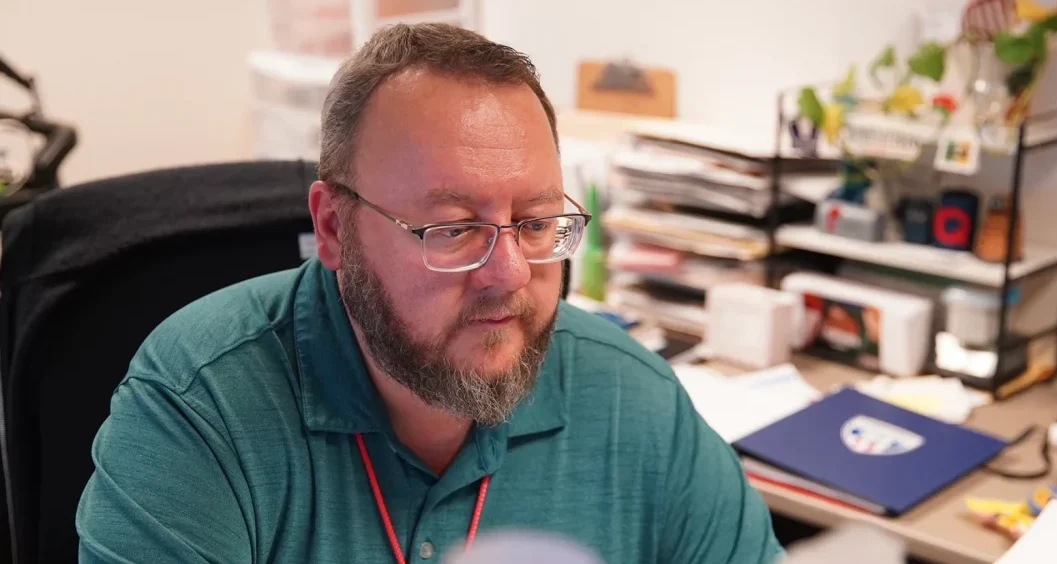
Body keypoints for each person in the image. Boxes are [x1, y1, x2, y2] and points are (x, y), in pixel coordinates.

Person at [76, 23, 783, 564]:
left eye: (536, 223)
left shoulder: (634, 400)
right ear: (333, 227)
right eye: (451, 230)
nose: (507, 274)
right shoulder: (202, 405)